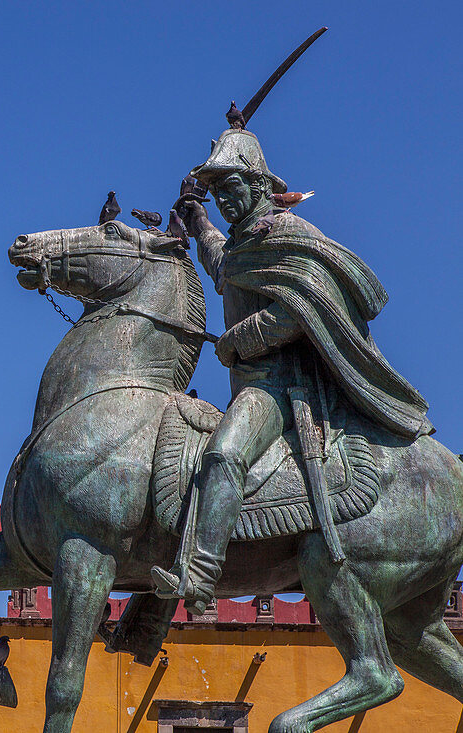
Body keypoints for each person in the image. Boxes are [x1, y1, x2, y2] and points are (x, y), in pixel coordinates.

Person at [150, 125, 431, 614]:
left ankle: (199, 574)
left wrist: (240, 337)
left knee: (222, 455)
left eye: (230, 189)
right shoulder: (243, 245)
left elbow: (304, 304)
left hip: (278, 385)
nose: (223, 201)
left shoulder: (290, 232)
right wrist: (197, 223)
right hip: (252, 382)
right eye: (215, 194)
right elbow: (224, 268)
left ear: (259, 185)